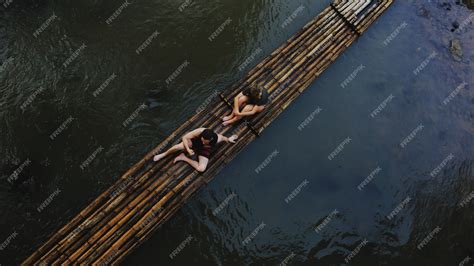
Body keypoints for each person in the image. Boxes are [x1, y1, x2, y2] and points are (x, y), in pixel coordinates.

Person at [153, 128, 238, 172]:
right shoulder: (199, 131)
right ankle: (163, 154)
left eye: (206, 141)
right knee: (178, 147)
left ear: (211, 139)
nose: (204, 142)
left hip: (205, 149)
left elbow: (223, 138)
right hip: (195, 143)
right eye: (203, 140)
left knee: (201, 169)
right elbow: (184, 137)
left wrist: (229, 139)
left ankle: (183, 157)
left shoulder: (216, 138)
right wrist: (188, 149)